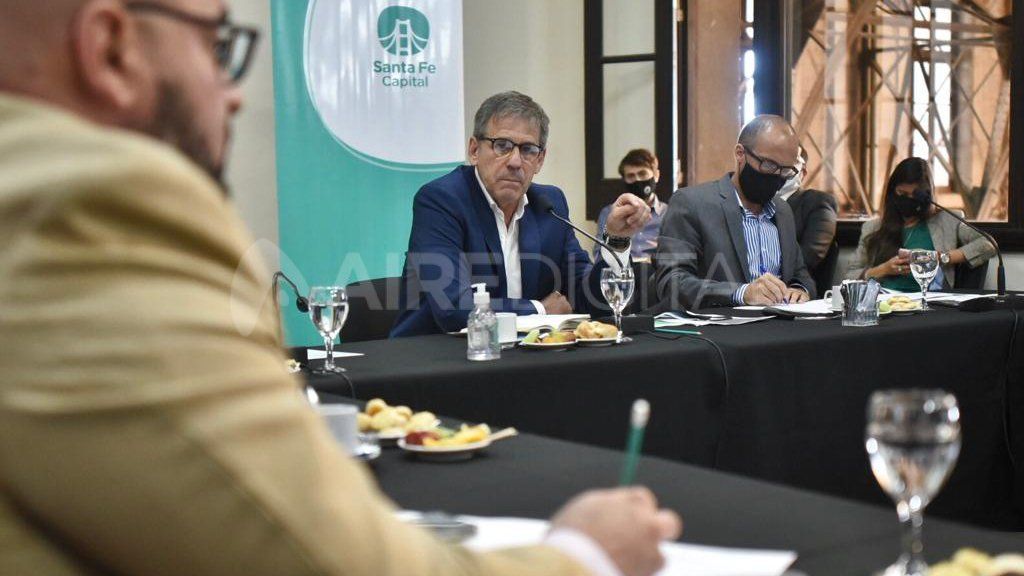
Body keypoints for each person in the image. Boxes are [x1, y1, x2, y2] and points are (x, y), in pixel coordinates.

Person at [0, 2, 680, 575]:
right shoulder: (91, 206)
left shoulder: (551, 205)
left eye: (528, 150)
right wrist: (582, 554)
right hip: (436, 372)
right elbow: (315, 546)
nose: (234, 91)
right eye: (218, 47)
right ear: (109, 45)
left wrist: (613, 245)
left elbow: (585, 291)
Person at [390, 91, 651, 337]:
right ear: (474, 150)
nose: (515, 161)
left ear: (540, 160)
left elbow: (591, 300)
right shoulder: (442, 200)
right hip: (435, 363)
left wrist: (616, 239)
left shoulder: (549, 205)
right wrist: (540, 310)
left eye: (528, 150)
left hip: (520, 361)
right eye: (502, 146)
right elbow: (455, 308)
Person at [654, 115, 815, 309]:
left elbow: (800, 273)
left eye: (786, 171)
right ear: (740, 154)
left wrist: (799, 290)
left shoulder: (782, 210)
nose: (777, 176)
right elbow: (672, 282)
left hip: (780, 329)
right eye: (769, 165)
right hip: (716, 333)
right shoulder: (692, 204)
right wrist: (741, 293)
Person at [846, 157, 995, 291]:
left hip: (929, 306)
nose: (908, 199)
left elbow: (988, 244)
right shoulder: (873, 228)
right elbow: (848, 277)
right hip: (882, 305)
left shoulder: (948, 221)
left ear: (926, 195)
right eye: (902, 194)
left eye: (914, 195)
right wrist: (883, 270)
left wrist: (939, 257)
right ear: (892, 192)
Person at [778, 147, 839, 294]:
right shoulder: (756, 205)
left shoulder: (817, 202)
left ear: (803, 172)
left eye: (791, 166)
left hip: (797, 290)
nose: (782, 171)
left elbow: (809, 257)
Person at [594, 148, 666, 260]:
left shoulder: (669, 214)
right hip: (622, 273)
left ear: (656, 175)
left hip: (656, 274)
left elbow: (678, 257)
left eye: (643, 174)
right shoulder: (610, 213)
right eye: (631, 176)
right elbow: (599, 258)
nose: (637, 180)